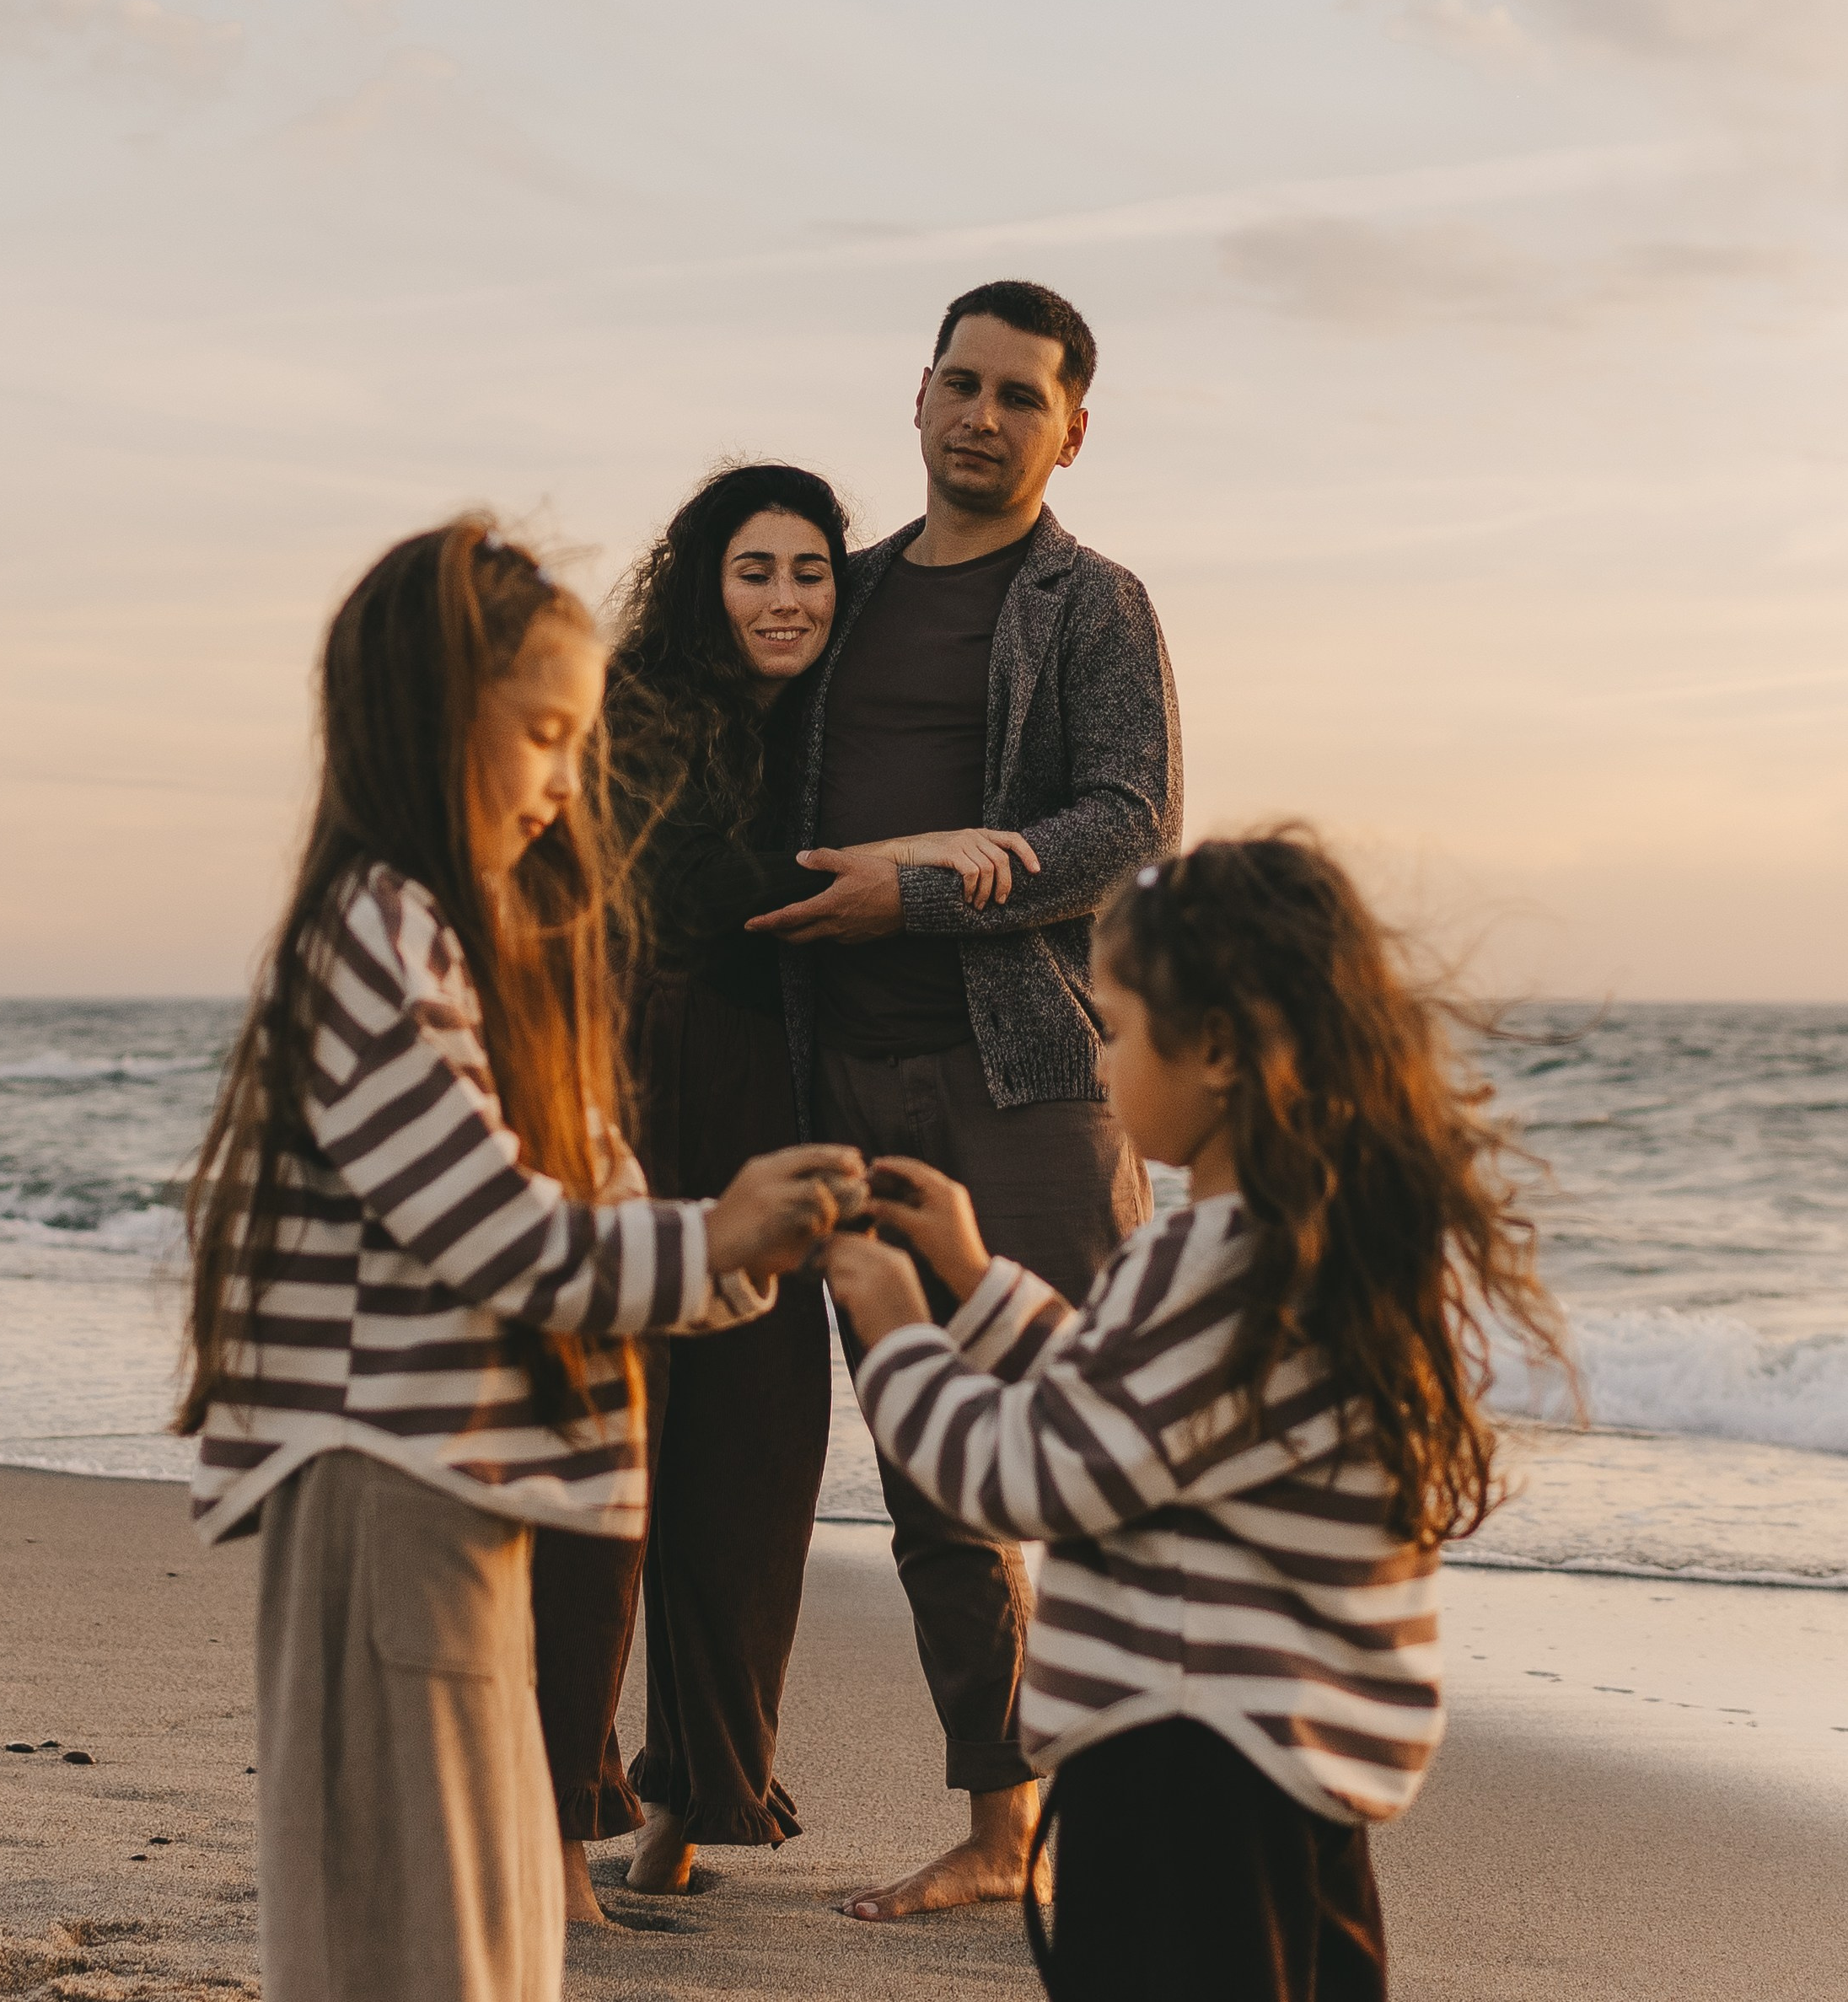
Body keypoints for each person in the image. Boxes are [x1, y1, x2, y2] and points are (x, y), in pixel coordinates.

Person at [176, 516, 864, 2002]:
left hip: (483, 1508)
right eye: (546, 737)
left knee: (494, 1944)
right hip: (387, 1501)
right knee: (405, 1943)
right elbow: (492, 1233)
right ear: (429, 721)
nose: (570, 784)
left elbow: (602, 1209)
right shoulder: (376, 931)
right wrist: (718, 1234)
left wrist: (743, 1247)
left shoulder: (496, 944)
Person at [826, 829, 1574, 2002]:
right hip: (1287, 1789)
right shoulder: (1286, 1247)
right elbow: (1128, 1409)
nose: (1098, 1050)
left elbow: (1037, 1477)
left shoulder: (1216, 1267)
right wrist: (975, 1285)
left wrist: (898, 1336)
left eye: (1114, 1025)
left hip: (1182, 1784)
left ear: (1215, 1049)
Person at [530, 464, 1039, 1924]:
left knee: (752, 1456)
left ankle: (693, 1799)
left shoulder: (816, 726)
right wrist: (900, 863)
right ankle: (560, 1834)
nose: (785, 598)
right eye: (755, 571)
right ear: (704, 580)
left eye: (811, 572)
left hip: (771, 1087)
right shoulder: (637, 709)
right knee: (613, 1457)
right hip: (642, 1084)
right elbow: (695, 893)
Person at [746, 278, 1182, 1922]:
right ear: (913, 398)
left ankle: (1134, 1827)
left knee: (1089, 1457)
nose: (980, 415)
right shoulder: (830, 602)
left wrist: (915, 898)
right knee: (933, 1477)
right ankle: (998, 1832)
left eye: (1019, 394)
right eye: (958, 383)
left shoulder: (1091, 603)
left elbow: (1120, 820)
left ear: (1071, 425)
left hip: (1026, 1082)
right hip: (837, 1079)